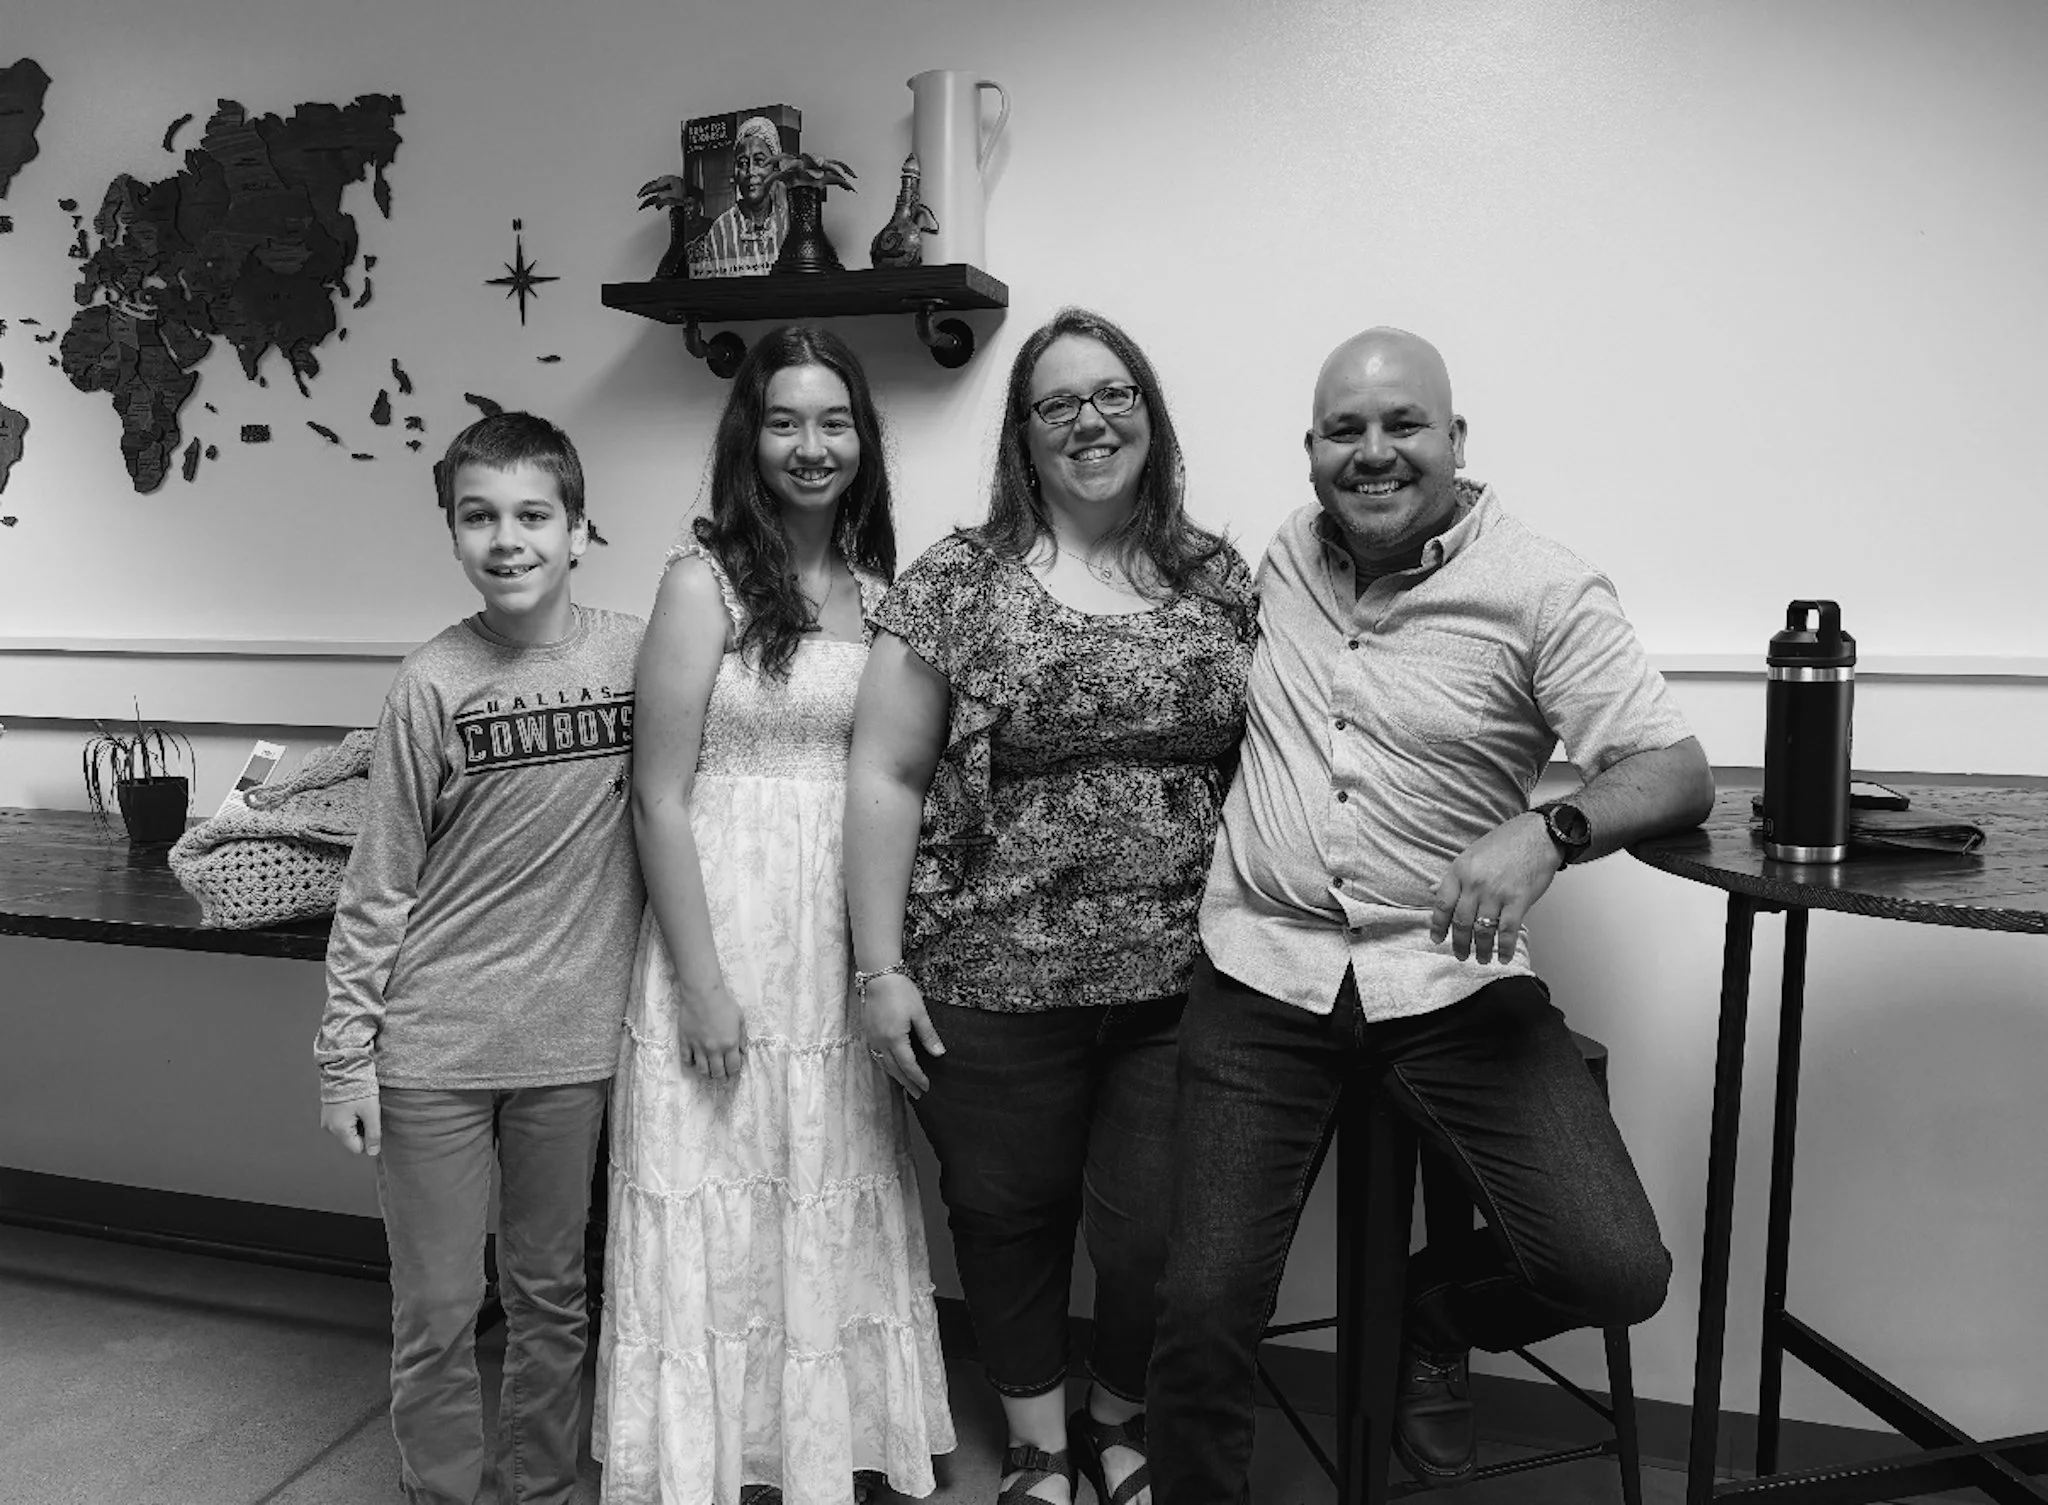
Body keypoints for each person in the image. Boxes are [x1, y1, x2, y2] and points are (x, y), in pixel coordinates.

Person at [1146, 328, 1717, 1502]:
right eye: (1342, 430)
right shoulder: (1283, 562)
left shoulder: (1541, 584)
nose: (1372, 452)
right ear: (1307, 451)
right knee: (1200, 1300)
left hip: (1446, 974)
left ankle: (1423, 1312)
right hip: (1266, 967)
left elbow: (1675, 767)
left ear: (1455, 439)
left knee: (1611, 1265)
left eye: (1401, 424)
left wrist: (1548, 829)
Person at [844, 308, 1258, 1505]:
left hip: (1184, 977)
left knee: (1155, 1233)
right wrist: (879, 970)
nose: (1090, 420)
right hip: (987, 973)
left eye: (1114, 393)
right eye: (1057, 402)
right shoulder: (958, 582)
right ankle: (1035, 1445)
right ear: (1022, 437)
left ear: (1151, 415)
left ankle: (1115, 1416)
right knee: (1005, 1212)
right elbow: (885, 773)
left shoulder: (1216, 578)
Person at [594, 325, 955, 1505]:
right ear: (747, 438)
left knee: (824, 1174)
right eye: (785, 420)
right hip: (723, 922)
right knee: (715, 1178)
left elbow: (893, 779)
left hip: (835, 929)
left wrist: (878, 952)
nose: (811, 445)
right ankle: (706, 1458)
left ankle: (815, 1445)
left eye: (834, 421)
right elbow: (654, 792)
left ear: (864, 441)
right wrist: (698, 978)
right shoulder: (698, 582)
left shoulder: (883, 595)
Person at [316, 411, 646, 1505]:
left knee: (554, 1288)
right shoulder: (429, 683)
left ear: (578, 529)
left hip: (572, 1042)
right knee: (441, 1303)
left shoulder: (639, 655)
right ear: (453, 533)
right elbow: (379, 884)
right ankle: (447, 1491)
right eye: (478, 517)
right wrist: (345, 1058)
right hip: (432, 1049)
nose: (506, 539)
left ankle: (546, 1486)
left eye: (531, 515)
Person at [688, 114, 788, 277]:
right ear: (735, 174)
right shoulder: (719, 231)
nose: (750, 172)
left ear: (774, 168)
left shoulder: (789, 224)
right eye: (742, 163)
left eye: (759, 161)